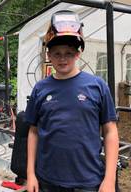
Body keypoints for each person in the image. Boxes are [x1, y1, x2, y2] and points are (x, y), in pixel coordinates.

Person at [25, 10, 119, 192]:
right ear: (48, 55)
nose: (62, 58)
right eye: (57, 53)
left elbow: (110, 131)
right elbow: (33, 132)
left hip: (89, 180)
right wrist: (30, 174)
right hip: (48, 179)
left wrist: (109, 179)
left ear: (78, 53)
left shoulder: (97, 86)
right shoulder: (40, 89)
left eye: (68, 53)